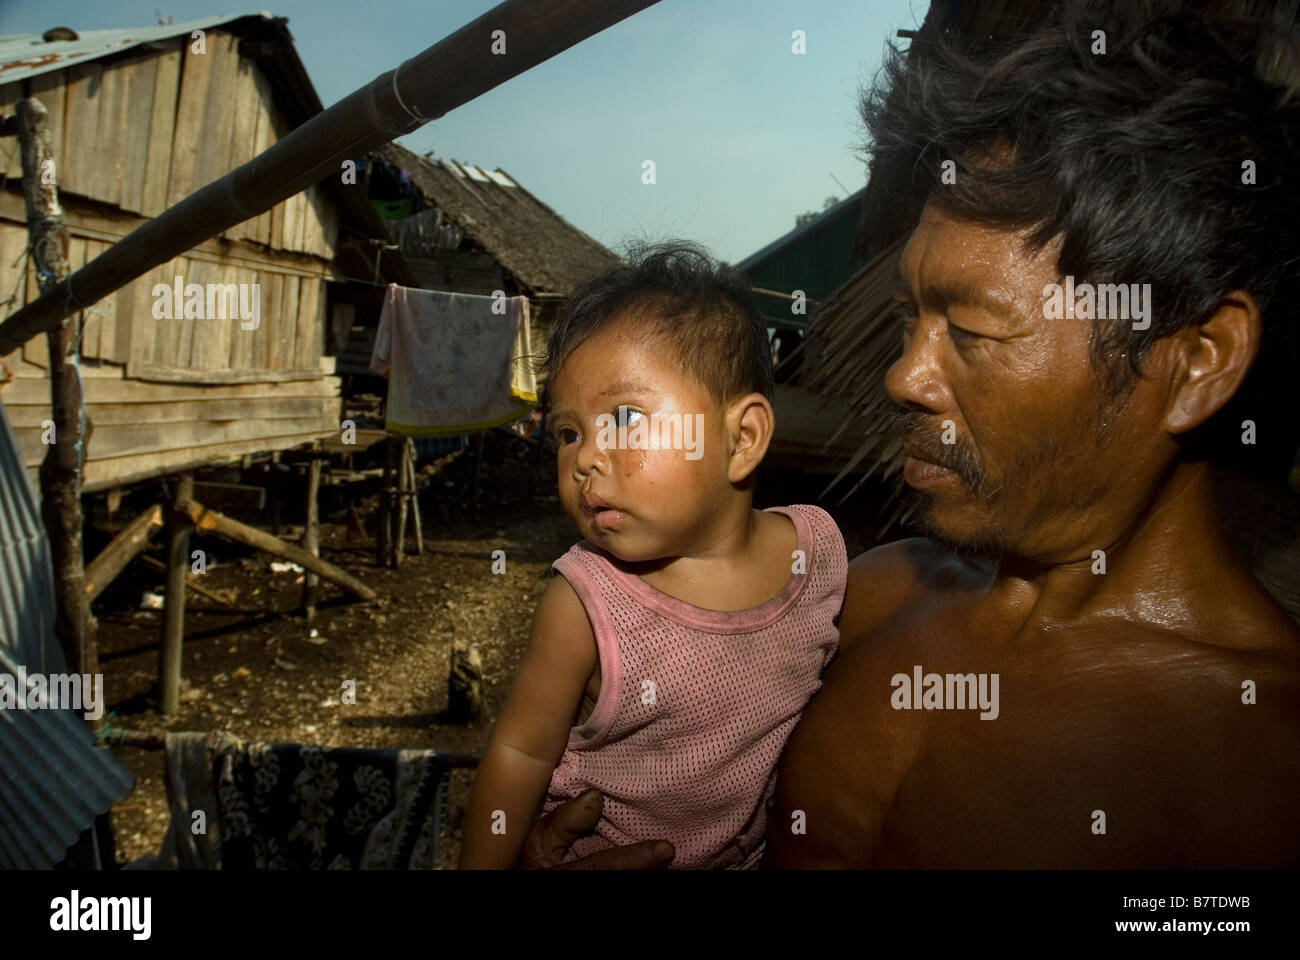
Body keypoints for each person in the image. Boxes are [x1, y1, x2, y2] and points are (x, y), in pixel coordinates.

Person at [520, 0, 1300, 869]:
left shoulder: (1261, 770)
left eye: (971, 332)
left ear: (1196, 362)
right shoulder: (851, 603)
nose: (902, 376)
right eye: (909, 320)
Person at [458, 242, 847, 869]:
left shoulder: (818, 556)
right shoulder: (587, 602)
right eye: (568, 432)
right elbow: (520, 753)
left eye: (623, 418)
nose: (583, 458)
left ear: (741, 438)